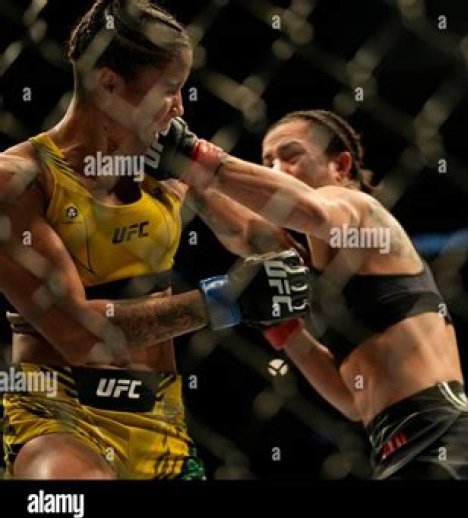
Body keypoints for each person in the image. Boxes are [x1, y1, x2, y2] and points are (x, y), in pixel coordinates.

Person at [0, 0, 309, 479]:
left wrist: (203, 164)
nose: (181, 106)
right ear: (108, 85)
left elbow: (267, 244)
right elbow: (78, 335)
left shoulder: (162, 161)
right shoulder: (19, 179)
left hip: (161, 424)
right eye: (169, 89)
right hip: (58, 416)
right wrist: (223, 300)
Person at [145, 110, 468, 480]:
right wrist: (180, 174)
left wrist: (194, 153)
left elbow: (315, 212)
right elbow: (351, 400)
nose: (278, 170)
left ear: (341, 166)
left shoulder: (361, 212)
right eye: (268, 163)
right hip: (393, 446)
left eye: (292, 156)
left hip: (445, 437)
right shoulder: (310, 269)